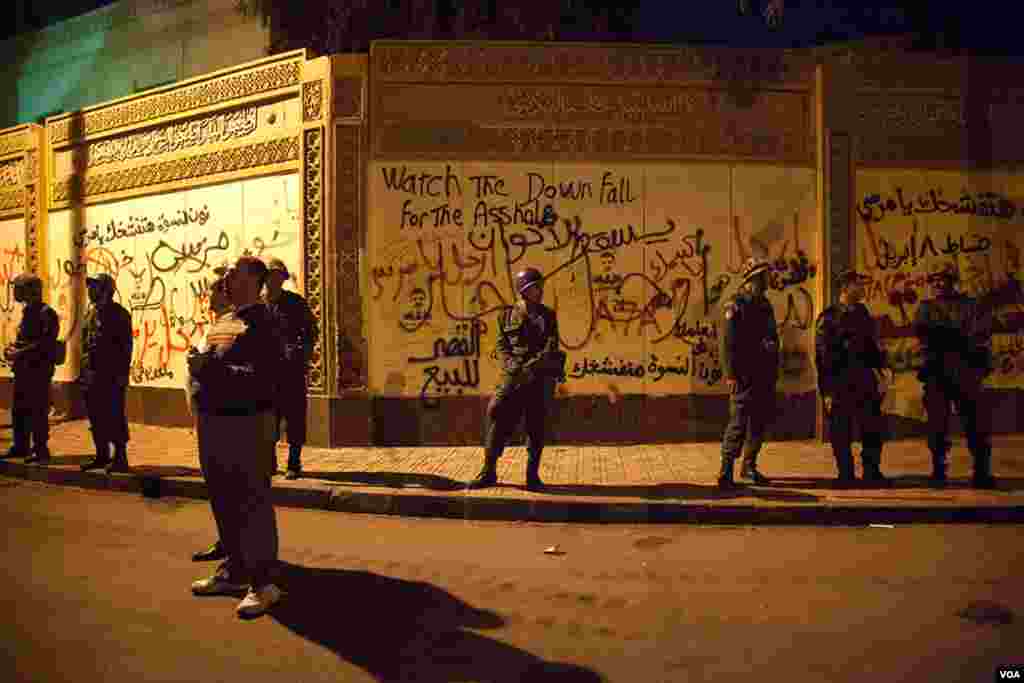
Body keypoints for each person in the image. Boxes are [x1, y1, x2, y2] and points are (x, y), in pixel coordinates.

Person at [189, 255, 286, 617]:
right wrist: (200, 364)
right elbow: (210, 361)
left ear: (253, 281)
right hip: (213, 422)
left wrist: (210, 368)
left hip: (247, 424)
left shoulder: (267, 322)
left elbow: (265, 379)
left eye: (233, 275)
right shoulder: (225, 321)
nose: (226, 280)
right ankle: (234, 570)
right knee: (223, 498)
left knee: (251, 500)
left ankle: (264, 584)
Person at [467, 267, 565, 492]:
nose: (539, 291)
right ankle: (488, 471)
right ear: (523, 290)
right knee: (497, 414)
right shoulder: (506, 315)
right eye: (534, 288)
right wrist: (512, 365)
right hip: (514, 377)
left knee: (536, 425)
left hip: (539, 377)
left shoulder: (548, 315)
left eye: (540, 287)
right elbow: (501, 345)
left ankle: (532, 476)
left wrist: (534, 366)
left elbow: (551, 345)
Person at [913, 262, 996, 489]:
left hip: (966, 372)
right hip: (937, 374)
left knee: (976, 424)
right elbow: (923, 334)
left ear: (952, 281)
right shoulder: (926, 308)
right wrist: (956, 337)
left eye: (942, 279)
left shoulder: (970, 305)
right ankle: (939, 471)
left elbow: (980, 334)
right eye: (934, 280)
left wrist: (947, 338)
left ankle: (981, 472)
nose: (938, 284)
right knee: (937, 426)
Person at [814, 269, 892, 488]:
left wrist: (882, 368)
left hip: (864, 380)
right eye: (858, 285)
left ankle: (872, 472)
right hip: (840, 383)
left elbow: (871, 347)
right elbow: (822, 358)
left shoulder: (863, 313)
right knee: (841, 431)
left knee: (872, 428)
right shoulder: (829, 317)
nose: (862, 288)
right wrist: (827, 392)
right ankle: (846, 475)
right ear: (846, 288)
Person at [717, 257, 780, 489]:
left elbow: (772, 336)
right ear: (753, 278)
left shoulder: (765, 304)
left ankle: (749, 465)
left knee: (759, 422)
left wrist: (772, 351)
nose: (767, 280)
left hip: (764, 374)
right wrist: (730, 374)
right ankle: (726, 470)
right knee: (738, 422)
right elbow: (727, 343)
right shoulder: (736, 304)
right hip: (743, 375)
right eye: (764, 276)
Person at [188, 267, 234, 564]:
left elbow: (222, 369)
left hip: (221, 418)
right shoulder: (216, 325)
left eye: (214, 291)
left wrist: (201, 363)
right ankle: (226, 541)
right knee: (217, 486)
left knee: (225, 486)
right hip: (207, 414)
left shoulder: (232, 325)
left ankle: (235, 551)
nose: (210, 297)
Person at [262, 258, 317, 480]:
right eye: (270, 277)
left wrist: (301, 352)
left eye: (278, 277)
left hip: (291, 372)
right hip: (267, 373)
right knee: (268, 419)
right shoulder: (259, 305)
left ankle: (294, 462)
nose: (274, 281)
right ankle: (269, 461)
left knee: (294, 418)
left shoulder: (295, 303)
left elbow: (311, 331)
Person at [78, 273, 133, 474]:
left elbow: (126, 347)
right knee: (96, 417)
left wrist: (121, 374)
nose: (90, 291)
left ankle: (120, 457)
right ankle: (101, 455)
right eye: (90, 287)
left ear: (106, 290)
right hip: (91, 375)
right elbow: (85, 344)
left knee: (114, 416)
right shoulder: (90, 313)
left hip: (111, 375)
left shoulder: (119, 314)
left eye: (94, 287)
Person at [1, 274, 59, 464]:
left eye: (19, 288)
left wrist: (20, 352)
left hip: (38, 370)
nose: (15, 292)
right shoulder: (28, 312)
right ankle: (20, 446)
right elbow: (26, 339)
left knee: (37, 410)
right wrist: (12, 348)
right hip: (23, 369)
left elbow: (45, 343)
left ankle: (40, 449)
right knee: (19, 410)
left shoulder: (46, 313)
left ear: (31, 290)